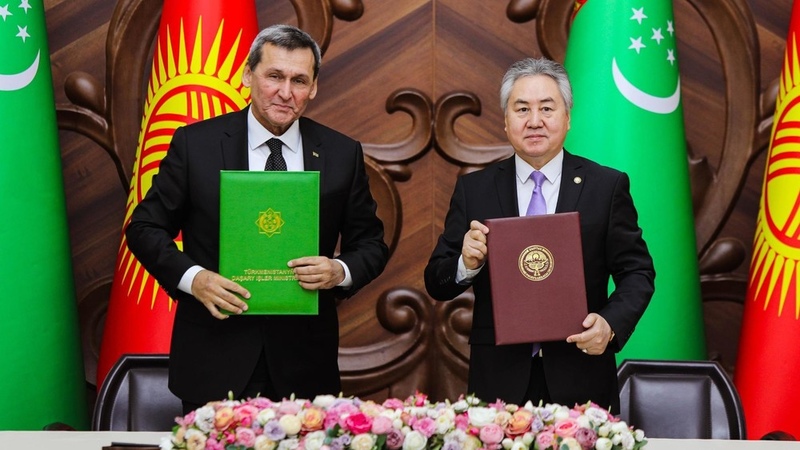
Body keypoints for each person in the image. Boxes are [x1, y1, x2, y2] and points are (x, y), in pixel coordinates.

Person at [126, 24, 388, 413]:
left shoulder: (340, 153)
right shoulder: (196, 144)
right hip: (213, 356)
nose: (286, 92)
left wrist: (339, 270)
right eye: (274, 76)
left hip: (305, 364)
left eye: (299, 80)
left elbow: (370, 244)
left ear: (314, 87)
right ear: (248, 75)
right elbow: (144, 228)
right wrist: (194, 279)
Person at [424, 57, 655, 412]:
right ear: (505, 121)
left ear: (567, 118)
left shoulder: (605, 187)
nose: (534, 121)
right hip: (498, 384)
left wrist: (609, 325)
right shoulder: (475, 190)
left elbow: (637, 272)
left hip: (582, 377)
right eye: (522, 109)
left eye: (547, 108)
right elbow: (437, 282)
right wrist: (465, 263)